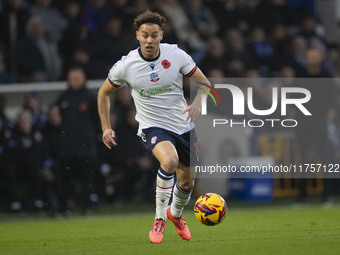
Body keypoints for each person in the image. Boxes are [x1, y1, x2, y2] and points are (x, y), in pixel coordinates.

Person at [97, 10, 209, 244]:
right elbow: (103, 93)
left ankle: (175, 214)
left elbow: (203, 81)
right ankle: (160, 219)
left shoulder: (175, 54)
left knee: (187, 183)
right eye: (145, 35)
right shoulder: (126, 65)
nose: (149, 40)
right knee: (168, 160)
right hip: (152, 126)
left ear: (161, 35)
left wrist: (198, 101)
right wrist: (106, 127)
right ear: (137, 35)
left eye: (154, 35)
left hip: (183, 125)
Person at [57, 66, 99, 214]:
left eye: (77, 78)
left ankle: (87, 207)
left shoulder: (90, 98)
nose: (74, 81)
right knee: (67, 179)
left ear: (83, 79)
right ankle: (66, 207)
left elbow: (97, 121)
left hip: (86, 147)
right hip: (67, 147)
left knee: (87, 179)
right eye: (72, 78)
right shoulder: (63, 98)